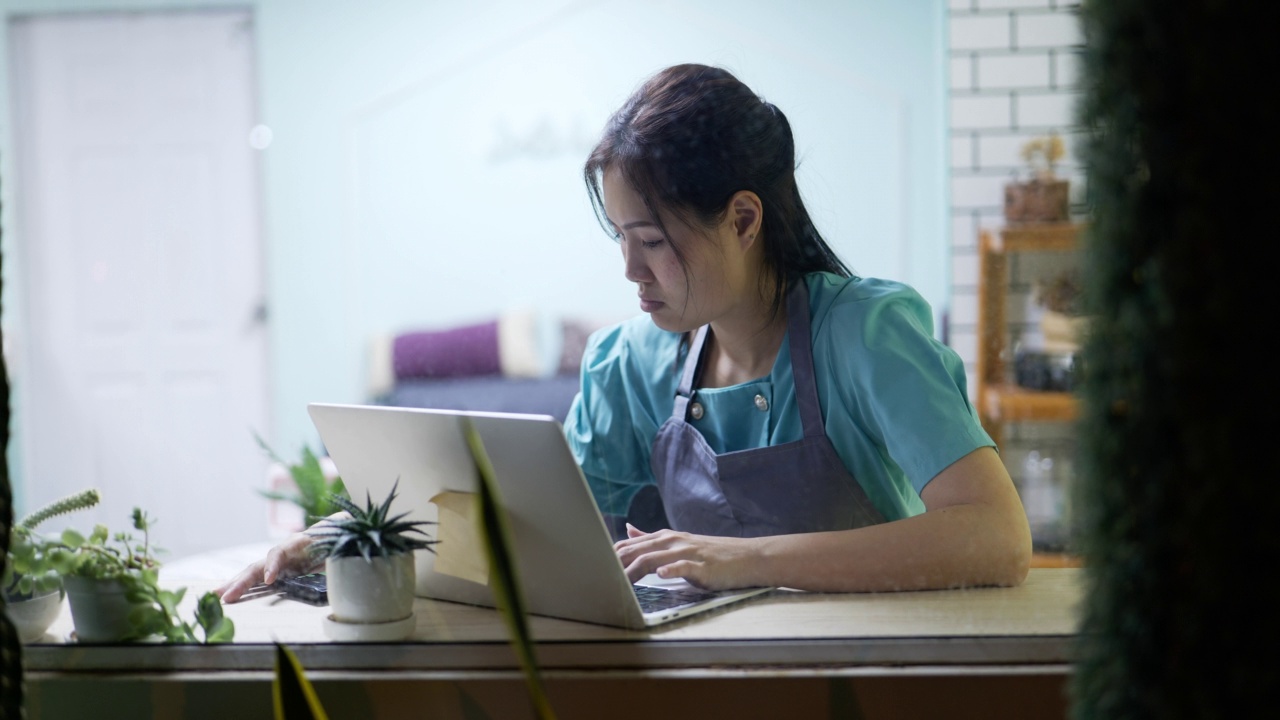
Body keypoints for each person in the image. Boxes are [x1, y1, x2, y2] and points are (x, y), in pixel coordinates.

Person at [216, 63, 1029, 604]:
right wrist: (341, 535)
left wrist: (750, 561)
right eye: (621, 242)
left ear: (743, 218)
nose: (631, 274)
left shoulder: (866, 334)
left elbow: (995, 537)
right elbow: (525, 518)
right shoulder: (634, 361)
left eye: (653, 242)